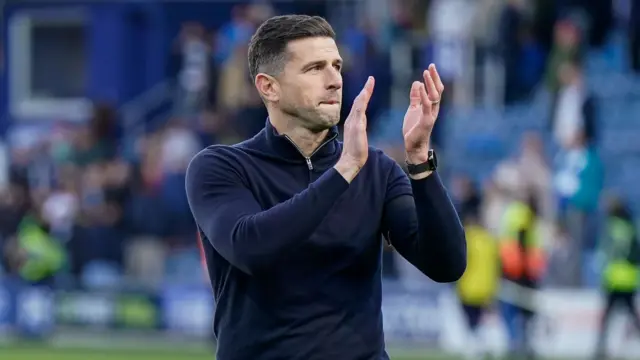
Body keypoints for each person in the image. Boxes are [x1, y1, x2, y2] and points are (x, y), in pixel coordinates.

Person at [185, 15, 466, 360]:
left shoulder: (376, 170)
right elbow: (251, 248)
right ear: (268, 87)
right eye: (315, 68)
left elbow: (447, 266)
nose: (335, 80)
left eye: (337, 65)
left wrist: (420, 161)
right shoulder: (221, 167)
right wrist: (343, 170)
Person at [498, 193, 546, 360]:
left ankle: (516, 344)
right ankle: (523, 346)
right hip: (523, 273)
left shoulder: (514, 213)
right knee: (525, 312)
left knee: (512, 311)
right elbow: (522, 243)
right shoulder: (525, 216)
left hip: (513, 270)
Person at [594, 196, 640, 359]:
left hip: (615, 277)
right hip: (629, 277)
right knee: (632, 313)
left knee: (608, 316)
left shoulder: (611, 226)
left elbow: (605, 253)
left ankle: (600, 348)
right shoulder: (630, 227)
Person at [455, 191, 499, 360]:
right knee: (481, 319)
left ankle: (474, 348)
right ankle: (482, 345)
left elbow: (462, 262)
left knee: (470, 319)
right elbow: (496, 265)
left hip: (469, 287)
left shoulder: (467, 238)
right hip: (487, 288)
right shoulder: (489, 240)